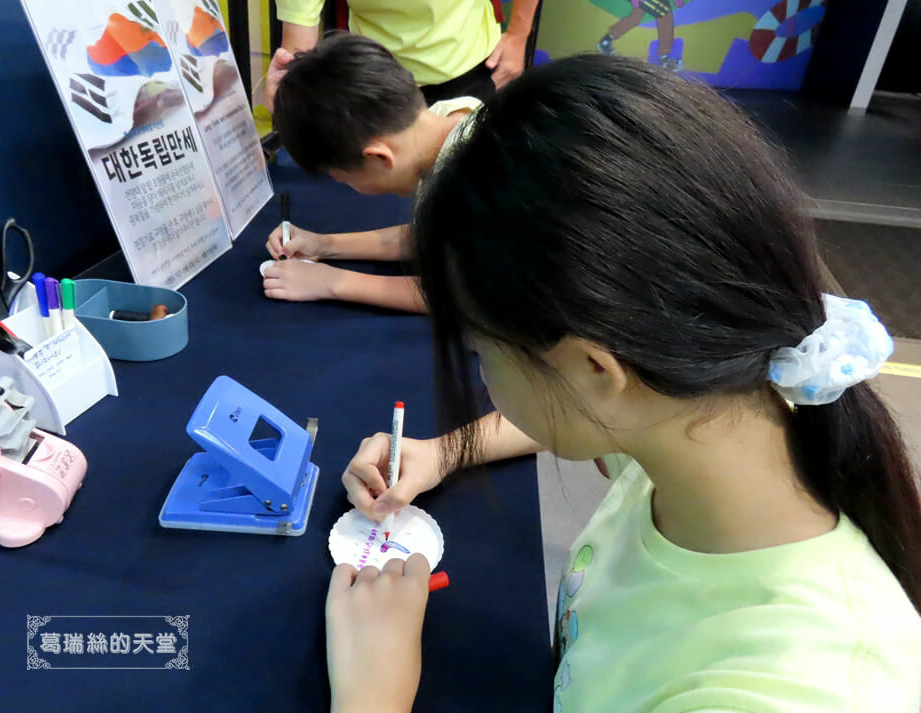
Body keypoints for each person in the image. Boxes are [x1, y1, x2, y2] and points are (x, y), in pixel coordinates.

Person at [326, 55, 921, 712]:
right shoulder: (704, 417)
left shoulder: (790, 689)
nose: (483, 375)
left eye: (480, 348)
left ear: (595, 368)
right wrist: (446, 450)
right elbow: (583, 410)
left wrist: (371, 699)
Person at [263, 33, 481, 313]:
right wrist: (323, 245)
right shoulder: (447, 117)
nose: (342, 183)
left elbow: (465, 295)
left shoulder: (480, 180)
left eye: (341, 177)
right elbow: (438, 234)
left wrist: (333, 282)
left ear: (378, 157)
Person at [265, 0, 540, 113]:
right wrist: (292, 99)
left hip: (470, 66)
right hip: (377, 83)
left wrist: (518, 37)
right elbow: (297, 47)